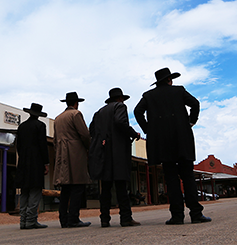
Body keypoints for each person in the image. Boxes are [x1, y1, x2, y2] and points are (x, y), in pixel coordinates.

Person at [135, 68, 211, 225]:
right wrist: (191, 121)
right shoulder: (179, 91)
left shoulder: (149, 96)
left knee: (170, 178)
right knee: (188, 177)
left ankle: (177, 216)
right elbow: (195, 103)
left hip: (162, 142)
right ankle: (196, 214)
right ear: (169, 80)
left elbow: (137, 112)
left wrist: (148, 129)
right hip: (181, 139)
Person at [89, 87, 143, 227]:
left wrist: (102, 140)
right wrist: (133, 133)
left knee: (105, 187)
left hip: (103, 152)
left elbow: (92, 130)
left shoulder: (98, 112)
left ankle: (104, 219)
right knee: (121, 185)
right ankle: (125, 217)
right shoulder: (120, 106)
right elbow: (120, 122)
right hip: (118, 151)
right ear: (120, 99)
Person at [53, 92, 91, 228]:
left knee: (65, 188)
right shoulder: (76, 114)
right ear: (76, 103)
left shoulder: (58, 118)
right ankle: (73, 218)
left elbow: (54, 139)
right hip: (75, 153)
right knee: (78, 185)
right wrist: (88, 148)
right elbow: (85, 134)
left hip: (61, 154)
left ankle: (63, 218)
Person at [15, 103, 50, 229]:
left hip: (23, 161)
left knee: (24, 191)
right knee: (35, 190)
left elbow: (18, 146)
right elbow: (43, 146)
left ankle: (23, 220)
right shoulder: (40, 126)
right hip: (36, 162)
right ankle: (31, 220)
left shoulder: (22, 126)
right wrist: (46, 163)